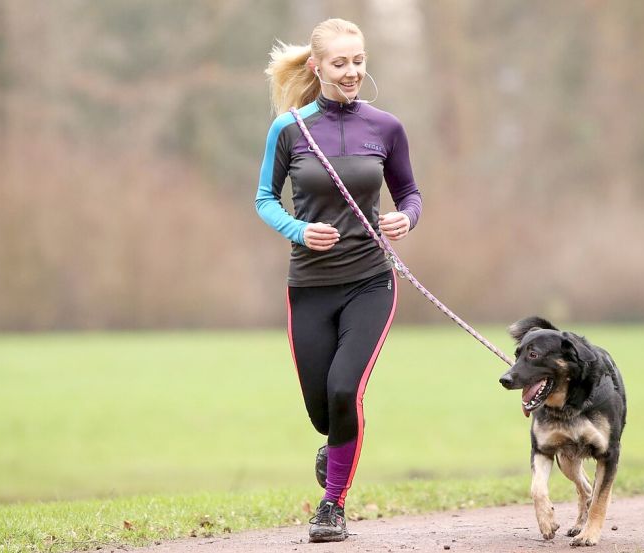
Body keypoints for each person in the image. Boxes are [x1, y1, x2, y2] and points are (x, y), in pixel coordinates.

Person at [254, 18, 423, 543]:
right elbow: (264, 199)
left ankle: (333, 506)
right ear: (317, 67)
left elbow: (410, 195)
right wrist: (298, 230)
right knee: (320, 408)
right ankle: (336, 448)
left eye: (358, 61)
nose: (352, 72)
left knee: (345, 389)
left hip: (370, 280)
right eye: (340, 63)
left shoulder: (387, 128)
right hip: (309, 285)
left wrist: (406, 219)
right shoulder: (289, 129)